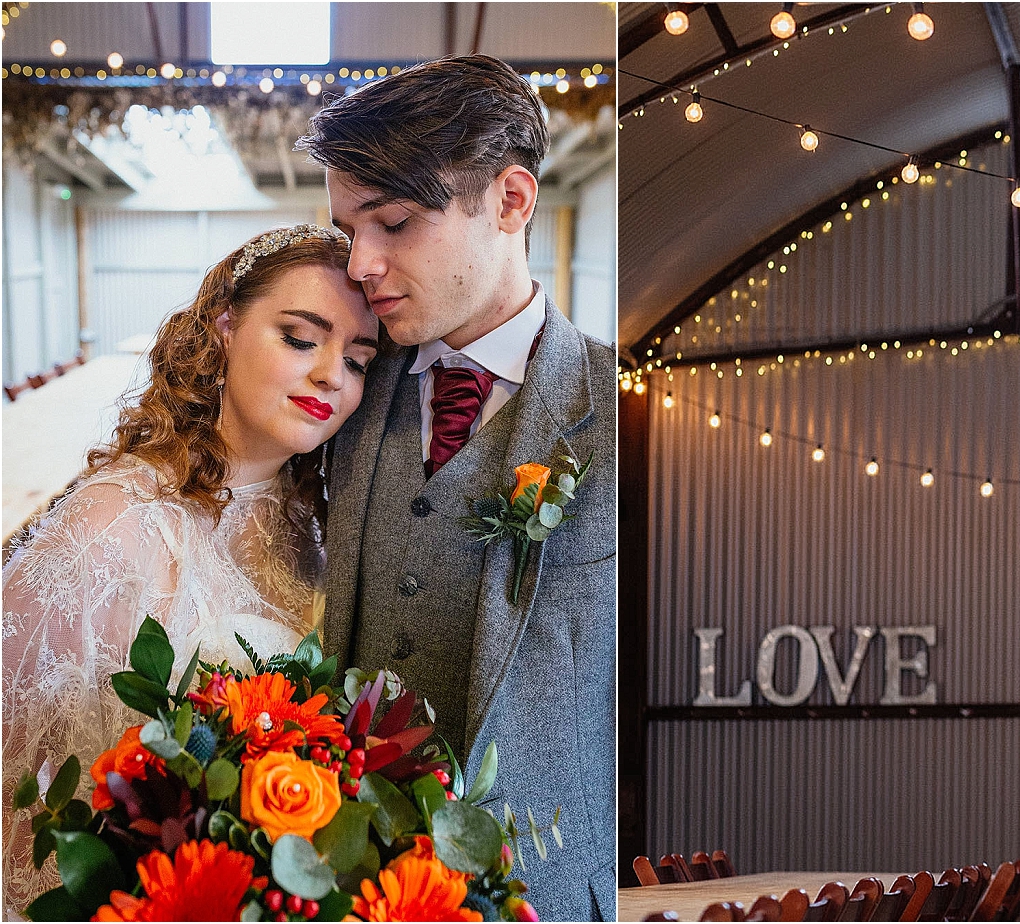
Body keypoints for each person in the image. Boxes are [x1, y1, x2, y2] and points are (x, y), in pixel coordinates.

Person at [297, 53, 617, 921]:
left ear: (511, 201)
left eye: (393, 222)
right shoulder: (339, 387)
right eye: (347, 227)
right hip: (344, 881)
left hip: (546, 890)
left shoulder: (619, 408)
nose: (361, 263)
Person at [2, 225, 375, 911]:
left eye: (358, 360)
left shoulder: (319, 530)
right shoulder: (108, 527)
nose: (332, 374)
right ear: (225, 329)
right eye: (300, 338)